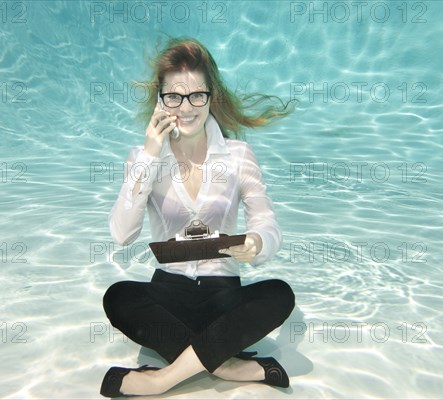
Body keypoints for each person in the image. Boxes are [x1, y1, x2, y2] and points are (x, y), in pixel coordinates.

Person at [100, 37, 296, 398]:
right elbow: (121, 234)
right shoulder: (143, 157)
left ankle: (162, 379)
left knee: (279, 294)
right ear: (160, 99)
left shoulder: (239, 155)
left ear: (211, 96)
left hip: (224, 296)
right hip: (168, 293)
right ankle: (227, 363)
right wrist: (148, 156)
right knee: (118, 296)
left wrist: (257, 243)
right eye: (173, 96)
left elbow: (267, 221)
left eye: (196, 96)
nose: (185, 107)